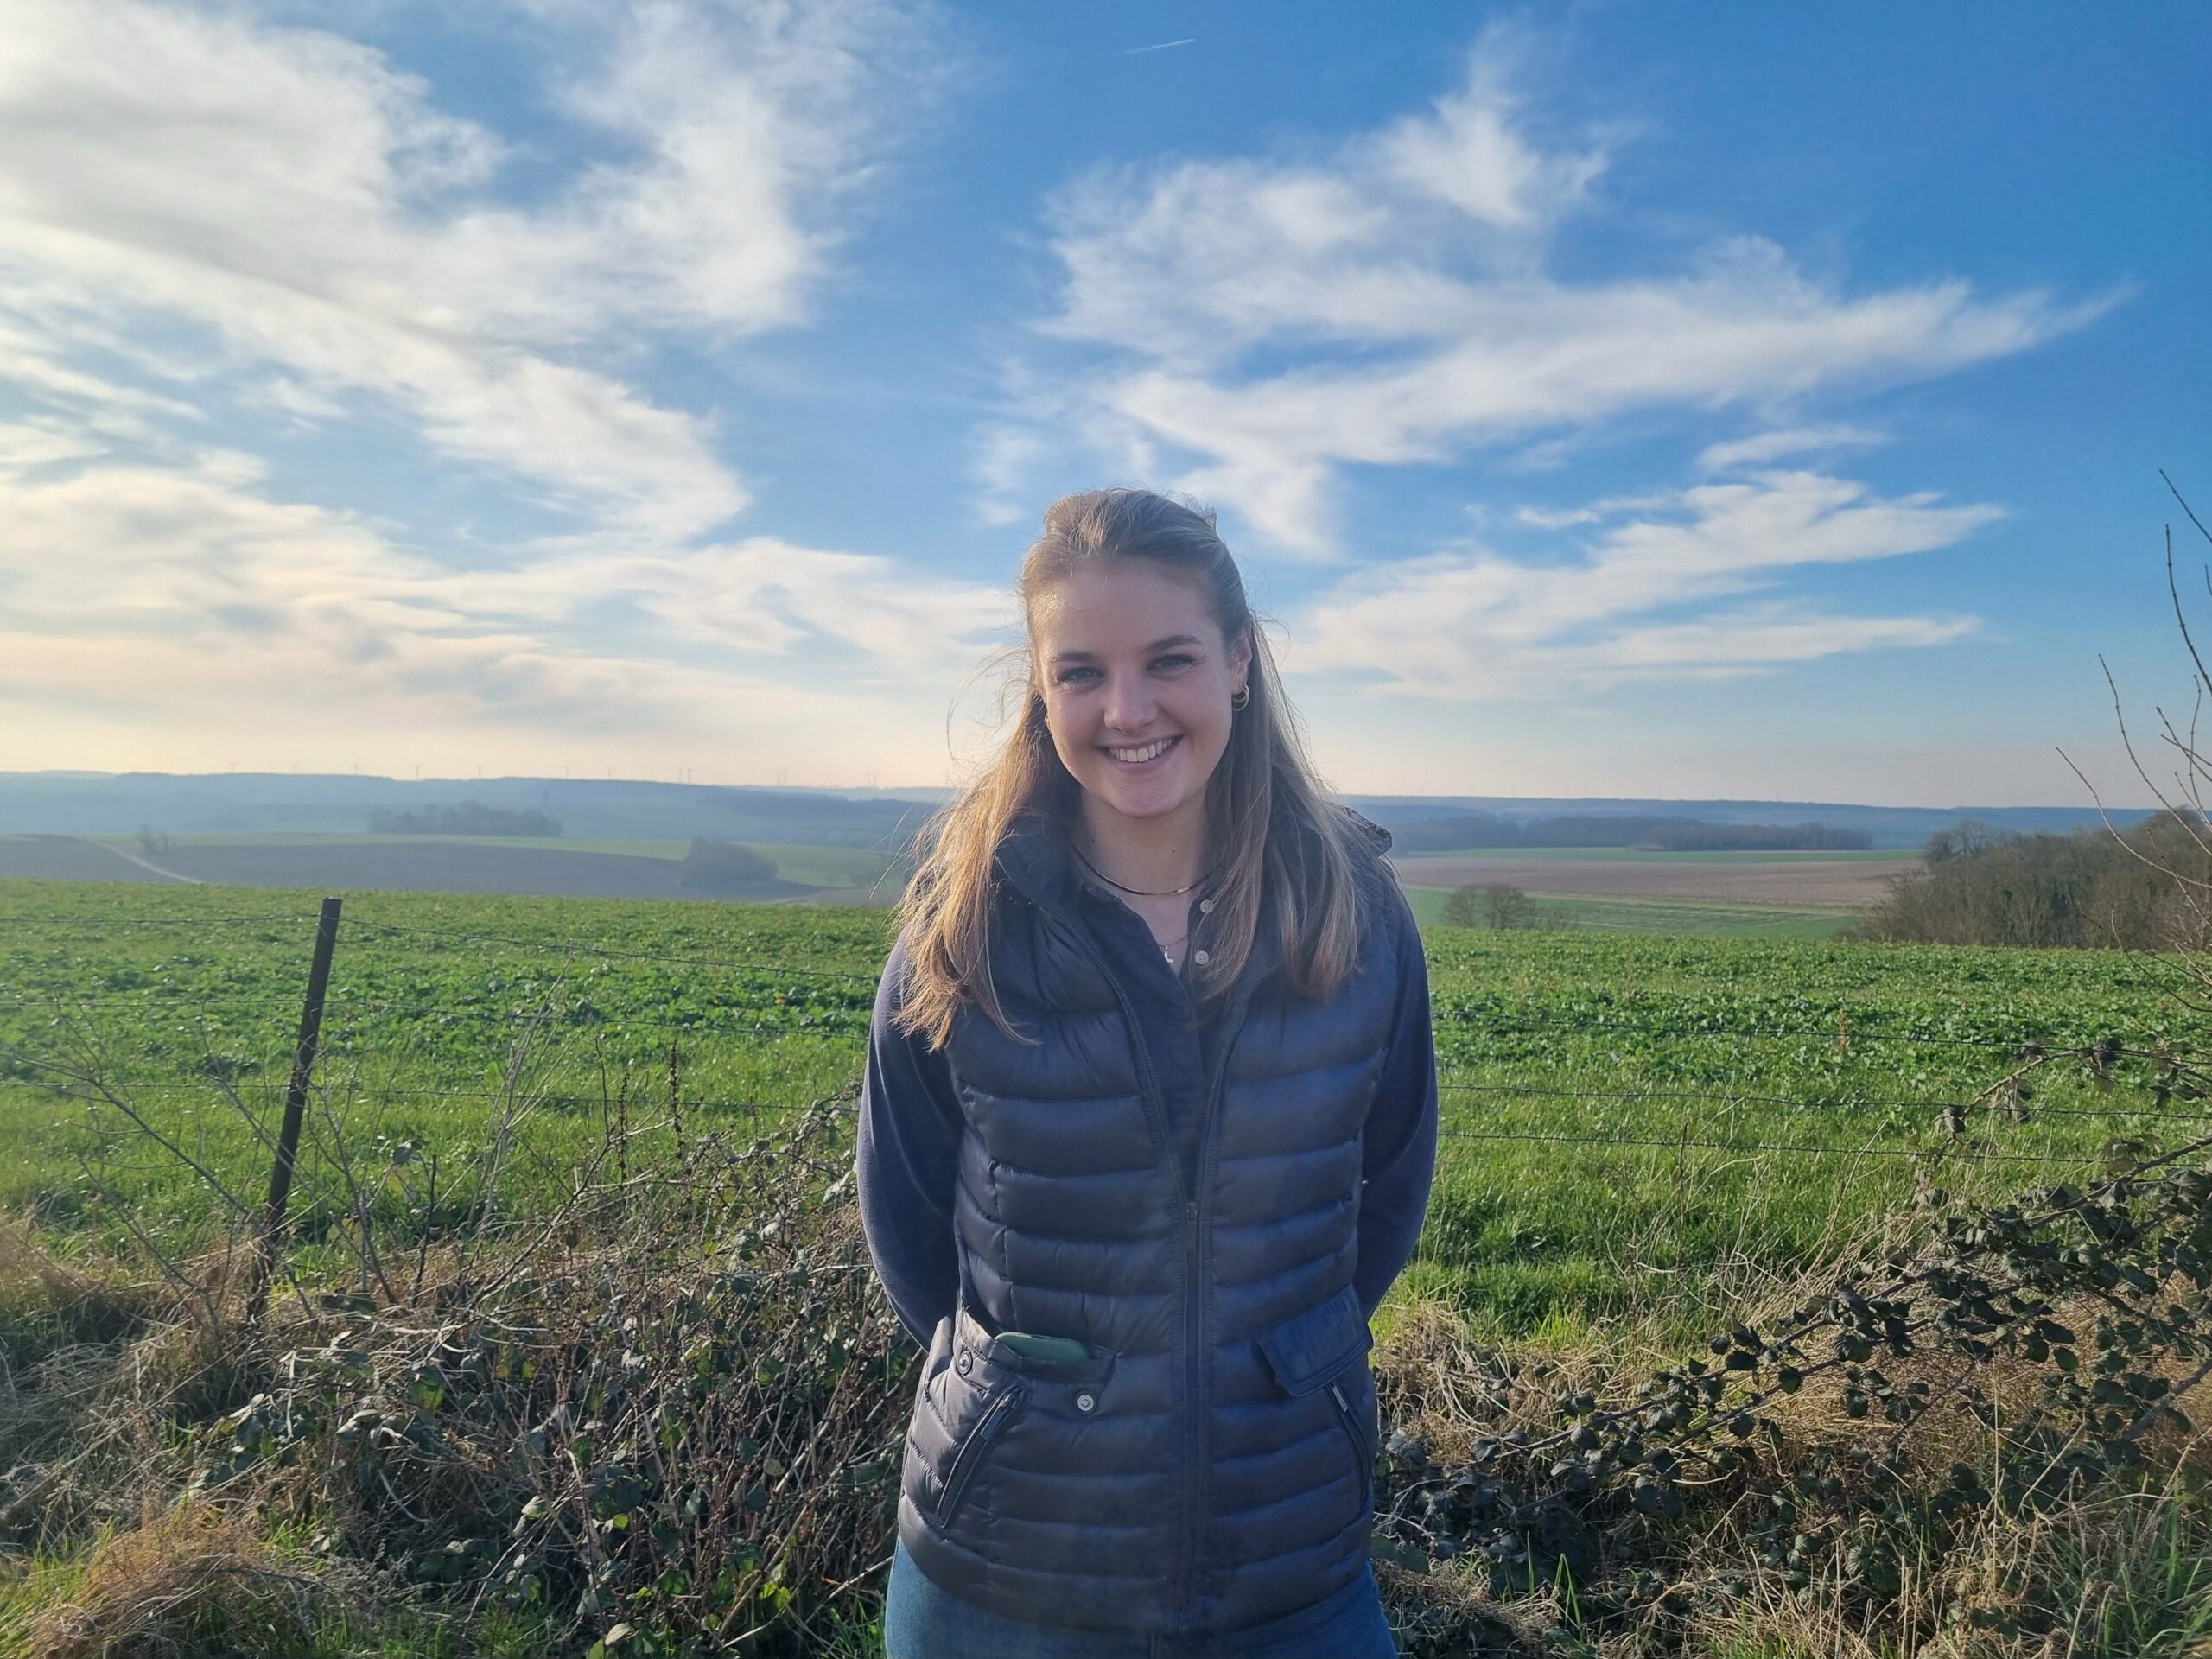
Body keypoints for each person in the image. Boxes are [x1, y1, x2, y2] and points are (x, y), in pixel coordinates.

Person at [856, 488, 1439, 1658]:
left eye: (1168, 660)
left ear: (1238, 660)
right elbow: (907, 1227)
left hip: (1290, 1560)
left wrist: (1278, 1376)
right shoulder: (964, 927)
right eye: (1080, 672)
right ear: (1040, 690)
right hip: (1003, 1574)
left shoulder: (1355, 914)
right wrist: (1030, 1396)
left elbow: (1386, 1193)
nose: (1127, 711)